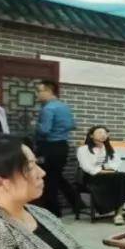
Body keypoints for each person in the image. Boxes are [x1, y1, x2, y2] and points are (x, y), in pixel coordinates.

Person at [34, 79, 79, 216]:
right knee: (56, 177)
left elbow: (44, 130)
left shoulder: (48, 108)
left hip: (49, 147)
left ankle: (53, 212)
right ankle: (77, 203)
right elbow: (72, 125)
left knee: (49, 181)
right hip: (62, 146)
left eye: (39, 91)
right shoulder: (64, 107)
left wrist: (35, 124)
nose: (37, 94)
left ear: (48, 91)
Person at [77, 126, 125, 224]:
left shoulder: (108, 148)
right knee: (123, 177)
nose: (103, 135)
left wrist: (109, 169)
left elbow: (116, 162)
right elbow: (86, 167)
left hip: (108, 176)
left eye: (105, 133)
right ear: (91, 135)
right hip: (91, 178)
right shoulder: (83, 149)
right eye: (100, 132)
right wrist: (103, 170)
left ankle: (119, 214)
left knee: (121, 180)